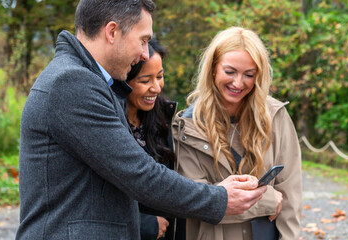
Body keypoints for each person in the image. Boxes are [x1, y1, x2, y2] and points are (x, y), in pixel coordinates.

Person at [17, 1, 266, 239]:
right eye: (143, 40)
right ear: (112, 32)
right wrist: (219, 198)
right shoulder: (72, 83)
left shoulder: (90, 81)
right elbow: (140, 174)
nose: (145, 54)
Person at [172, 26, 302, 240]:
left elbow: (290, 196)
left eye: (249, 74)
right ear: (213, 68)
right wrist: (267, 200)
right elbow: (196, 201)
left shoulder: (275, 116)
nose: (238, 83)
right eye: (230, 72)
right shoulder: (187, 125)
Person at [120, 39, 185, 240]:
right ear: (124, 80)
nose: (156, 88)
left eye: (160, 76)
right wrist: (143, 224)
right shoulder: (110, 124)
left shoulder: (166, 118)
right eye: (145, 80)